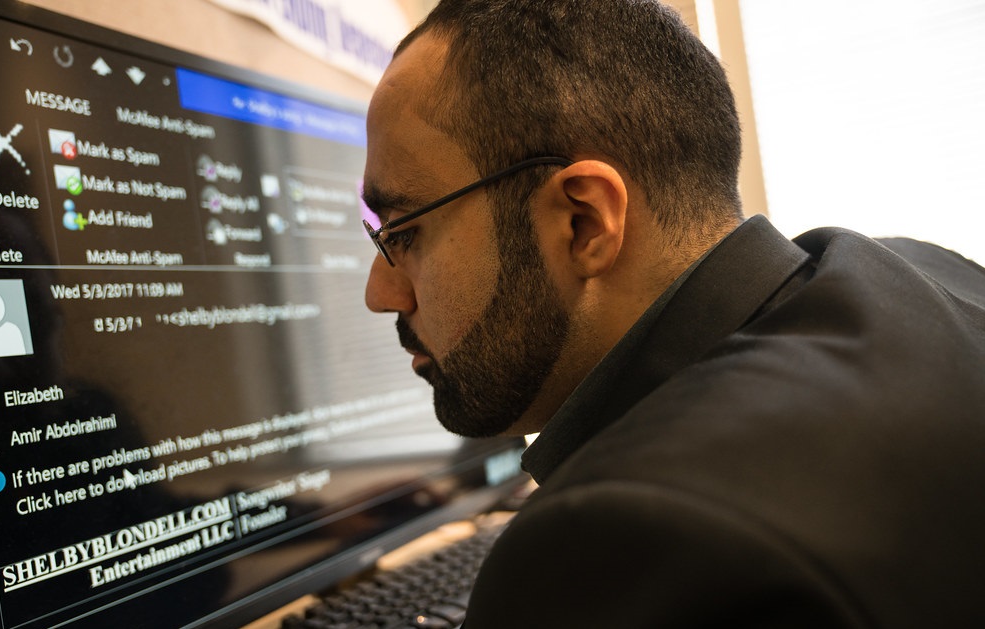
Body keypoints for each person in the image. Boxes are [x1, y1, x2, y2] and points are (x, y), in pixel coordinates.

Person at [361, 0, 985, 626]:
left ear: (583, 224)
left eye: (404, 233)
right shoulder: (935, 279)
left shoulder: (622, 539)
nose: (380, 292)